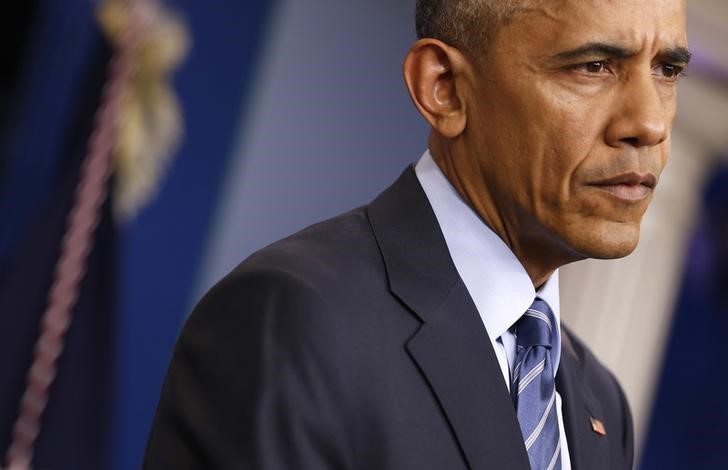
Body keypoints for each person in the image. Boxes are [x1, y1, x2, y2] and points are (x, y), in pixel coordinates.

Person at [144, 0, 690, 468]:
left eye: (667, 70)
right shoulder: (293, 318)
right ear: (443, 89)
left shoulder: (599, 402)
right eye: (593, 66)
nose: (650, 123)